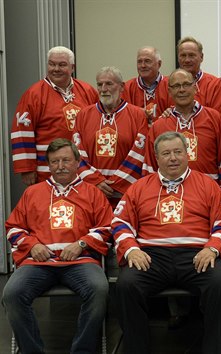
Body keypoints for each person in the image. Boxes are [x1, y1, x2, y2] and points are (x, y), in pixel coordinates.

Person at [112, 131, 221, 354]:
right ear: (156, 158)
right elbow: (120, 222)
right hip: (151, 256)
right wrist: (131, 250)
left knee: (220, 283)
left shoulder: (207, 185)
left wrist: (212, 248)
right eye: (166, 153)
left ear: (188, 155)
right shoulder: (139, 187)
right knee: (127, 285)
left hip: (196, 255)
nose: (173, 158)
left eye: (178, 152)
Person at [2, 138, 112, 354]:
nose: (60, 166)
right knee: (12, 294)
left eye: (66, 160)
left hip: (81, 262)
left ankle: (82, 351)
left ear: (77, 162)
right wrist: (32, 245)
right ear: (48, 165)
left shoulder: (93, 193)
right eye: (54, 162)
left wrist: (82, 243)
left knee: (99, 290)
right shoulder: (32, 193)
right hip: (38, 263)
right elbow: (13, 228)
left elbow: (107, 228)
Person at [11, 46, 98, 185]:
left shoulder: (87, 91)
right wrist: (27, 168)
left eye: (62, 65)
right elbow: (21, 132)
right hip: (46, 170)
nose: (56, 69)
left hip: (82, 169)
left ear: (72, 67)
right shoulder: (33, 94)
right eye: (52, 64)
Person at [146, 69, 221, 203]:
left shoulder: (214, 118)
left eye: (186, 84)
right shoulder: (159, 125)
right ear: (169, 91)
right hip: (170, 198)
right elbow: (150, 167)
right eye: (176, 86)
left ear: (195, 87)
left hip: (208, 195)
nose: (181, 90)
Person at [73, 66, 148, 206]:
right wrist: (94, 181)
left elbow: (140, 154)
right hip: (91, 193)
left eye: (109, 84)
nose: (103, 89)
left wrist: (115, 184)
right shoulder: (83, 115)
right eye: (100, 84)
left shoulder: (138, 115)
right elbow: (77, 154)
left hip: (124, 194)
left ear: (122, 87)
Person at [123, 46, 172, 125]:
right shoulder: (127, 87)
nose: (143, 65)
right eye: (139, 62)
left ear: (159, 64)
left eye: (147, 61)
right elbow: (123, 117)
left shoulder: (171, 85)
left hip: (165, 134)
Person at [177, 36, 217, 104]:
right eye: (183, 55)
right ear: (178, 58)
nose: (187, 60)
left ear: (201, 57)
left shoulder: (214, 83)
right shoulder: (170, 84)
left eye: (191, 55)